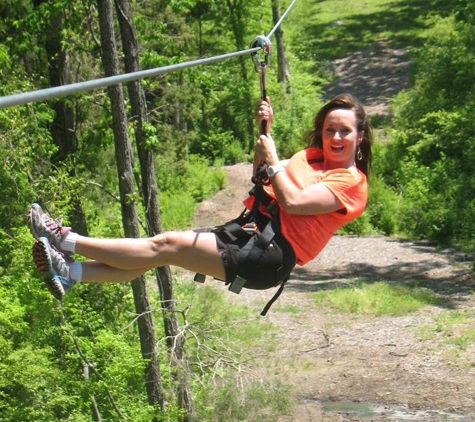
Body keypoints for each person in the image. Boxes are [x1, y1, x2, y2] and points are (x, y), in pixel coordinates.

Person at [28, 93, 372, 311]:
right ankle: (71, 273)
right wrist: (262, 141)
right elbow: (264, 181)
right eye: (330, 130)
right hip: (250, 231)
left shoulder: (352, 183)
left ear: (359, 139)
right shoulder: (310, 157)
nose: (336, 137)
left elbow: (294, 201)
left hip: (270, 255)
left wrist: (273, 155)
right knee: (157, 255)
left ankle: (64, 239)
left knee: (165, 244)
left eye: (345, 131)